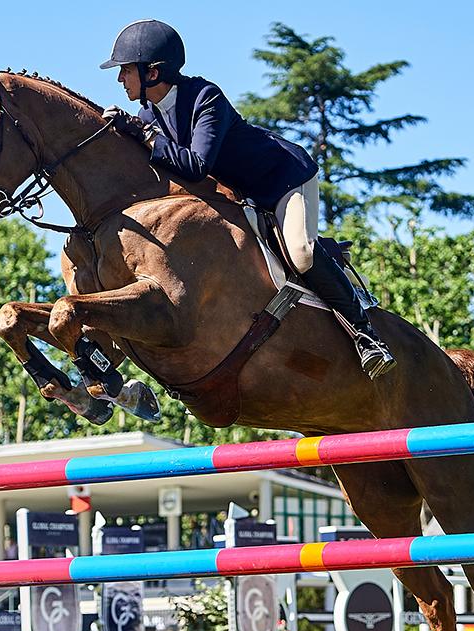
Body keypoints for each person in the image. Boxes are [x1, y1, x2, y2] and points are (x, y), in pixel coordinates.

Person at [99, 19, 396, 379]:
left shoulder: (205, 98)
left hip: (283, 179)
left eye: (126, 70)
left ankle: (366, 335)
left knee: (300, 252)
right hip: (243, 194)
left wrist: (143, 135)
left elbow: (195, 165)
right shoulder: (149, 113)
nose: (120, 80)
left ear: (153, 72)